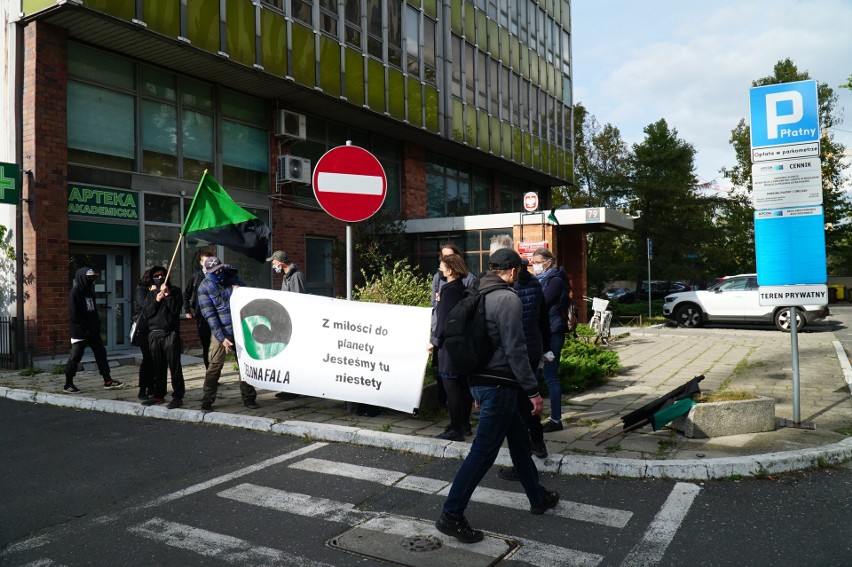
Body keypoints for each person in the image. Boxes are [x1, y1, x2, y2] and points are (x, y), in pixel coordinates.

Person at [436, 248, 559, 544]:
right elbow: (516, 351)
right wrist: (533, 391)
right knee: (483, 451)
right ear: (514, 271)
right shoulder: (507, 299)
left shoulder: (477, 294)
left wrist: (475, 386)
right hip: (501, 385)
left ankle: (537, 496)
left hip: (482, 381)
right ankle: (451, 515)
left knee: (518, 440)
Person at [197, 256, 259, 411]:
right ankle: (207, 399)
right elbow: (210, 316)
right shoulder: (204, 287)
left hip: (240, 327)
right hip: (221, 331)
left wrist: (241, 292)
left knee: (245, 364)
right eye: (214, 271)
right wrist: (221, 338)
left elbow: (248, 296)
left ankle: (249, 397)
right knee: (215, 365)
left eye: (219, 270)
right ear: (207, 271)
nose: (218, 274)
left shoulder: (232, 277)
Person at [430, 253, 474, 441]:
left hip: (448, 347)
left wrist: (434, 340)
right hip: (459, 344)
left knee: (451, 388)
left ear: (450, 270)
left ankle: (455, 428)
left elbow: (444, 320)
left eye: (442, 267)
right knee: (462, 386)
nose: (440, 270)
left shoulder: (449, 290)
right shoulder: (459, 288)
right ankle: (463, 424)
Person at [63, 267, 123, 393]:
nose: (91, 280)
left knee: (101, 354)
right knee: (75, 357)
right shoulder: (75, 292)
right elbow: (74, 315)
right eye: (89, 277)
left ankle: (108, 380)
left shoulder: (89, 292)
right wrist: (84, 327)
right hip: (80, 332)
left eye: (93, 277)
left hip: (93, 331)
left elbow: (93, 311)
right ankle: (68, 383)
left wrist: (96, 325)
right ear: (82, 277)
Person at [531, 247, 569, 432]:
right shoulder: (541, 279)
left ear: (547, 262)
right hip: (543, 332)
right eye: (533, 262)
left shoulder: (555, 280)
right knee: (536, 375)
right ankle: (532, 414)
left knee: (550, 376)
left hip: (553, 333)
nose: (534, 266)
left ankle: (556, 420)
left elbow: (542, 302)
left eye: (537, 262)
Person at [140, 265, 185, 408]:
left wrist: (168, 295)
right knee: (158, 367)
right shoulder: (150, 295)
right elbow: (147, 314)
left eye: (163, 275)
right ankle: (158, 394)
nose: (160, 278)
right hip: (154, 334)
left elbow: (175, 310)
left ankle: (178, 396)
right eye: (157, 276)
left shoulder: (175, 291)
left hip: (170, 334)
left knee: (174, 366)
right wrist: (157, 300)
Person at [267, 250, 308, 401]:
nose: (272, 265)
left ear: (280, 262)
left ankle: (294, 389)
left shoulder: (296, 276)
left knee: (294, 357)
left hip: (294, 323)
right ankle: (289, 388)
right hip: (286, 321)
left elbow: (298, 300)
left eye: (273, 262)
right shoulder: (287, 276)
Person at [183, 250, 214, 369]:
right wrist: (187, 310)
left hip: (216, 314)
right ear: (201, 262)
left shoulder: (217, 274)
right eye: (205, 261)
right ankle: (209, 372)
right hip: (202, 314)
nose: (208, 263)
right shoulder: (196, 276)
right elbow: (186, 293)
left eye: (210, 261)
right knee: (206, 344)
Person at [133, 268, 155, 401]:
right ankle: (142, 389)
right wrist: (152, 293)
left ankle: (152, 386)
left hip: (152, 328)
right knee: (147, 359)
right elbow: (145, 307)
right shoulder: (141, 291)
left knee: (154, 359)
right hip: (143, 329)